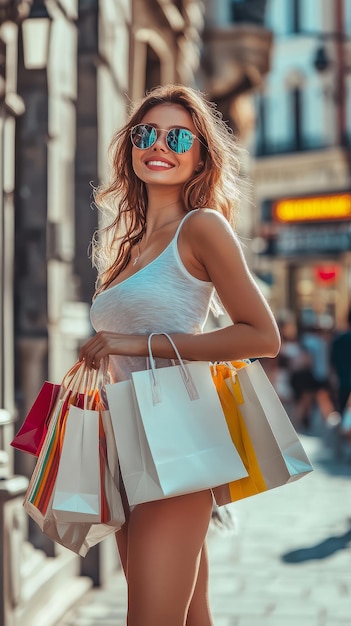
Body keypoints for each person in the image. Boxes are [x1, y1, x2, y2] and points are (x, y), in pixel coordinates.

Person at [78, 84, 281, 626]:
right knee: (192, 620)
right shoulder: (127, 243)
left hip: (176, 443)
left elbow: (262, 336)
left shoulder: (203, 228)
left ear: (199, 155)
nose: (158, 144)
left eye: (176, 135)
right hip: (122, 439)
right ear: (131, 148)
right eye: (146, 133)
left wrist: (136, 344)